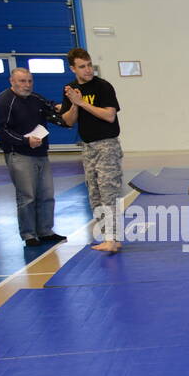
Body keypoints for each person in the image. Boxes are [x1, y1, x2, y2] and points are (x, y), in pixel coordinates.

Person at [58, 48, 125, 254]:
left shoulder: (103, 87)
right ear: (73, 68)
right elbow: (68, 121)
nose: (87, 70)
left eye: (89, 65)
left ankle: (112, 238)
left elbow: (109, 116)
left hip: (106, 145)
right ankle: (108, 236)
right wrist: (74, 105)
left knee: (108, 192)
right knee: (94, 195)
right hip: (88, 147)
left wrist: (82, 103)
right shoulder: (70, 90)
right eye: (82, 67)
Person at [0, 67, 68, 246]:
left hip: (41, 153)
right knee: (27, 196)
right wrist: (25, 141)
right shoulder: (4, 101)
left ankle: (45, 230)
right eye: (22, 81)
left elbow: (52, 109)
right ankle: (28, 234)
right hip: (19, 154)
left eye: (29, 81)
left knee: (47, 194)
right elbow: (0, 130)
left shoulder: (36, 98)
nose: (26, 85)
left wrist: (64, 106)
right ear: (12, 81)